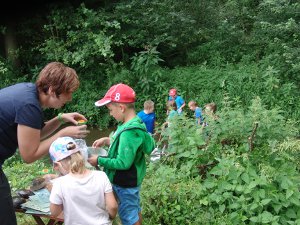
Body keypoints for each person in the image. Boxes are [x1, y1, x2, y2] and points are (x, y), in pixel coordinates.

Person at [0, 61, 89, 225]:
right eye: (68, 92)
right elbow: (28, 155)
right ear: (53, 90)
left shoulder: (29, 93)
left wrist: (60, 119)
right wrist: (61, 134)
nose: (70, 98)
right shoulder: (29, 105)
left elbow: (35, 135)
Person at [88, 83, 155, 225]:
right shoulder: (134, 123)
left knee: (128, 216)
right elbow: (128, 146)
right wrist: (108, 140)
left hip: (125, 182)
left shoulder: (129, 132)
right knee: (134, 209)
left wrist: (99, 160)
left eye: (111, 110)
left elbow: (123, 163)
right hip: (132, 181)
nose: (110, 114)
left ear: (121, 107)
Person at [49, 136, 118, 225]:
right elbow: (113, 206)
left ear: (56, 165)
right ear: (81, 155)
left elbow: (55, 213)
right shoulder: (101, 176)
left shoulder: (59, 183)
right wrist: (110, 218)